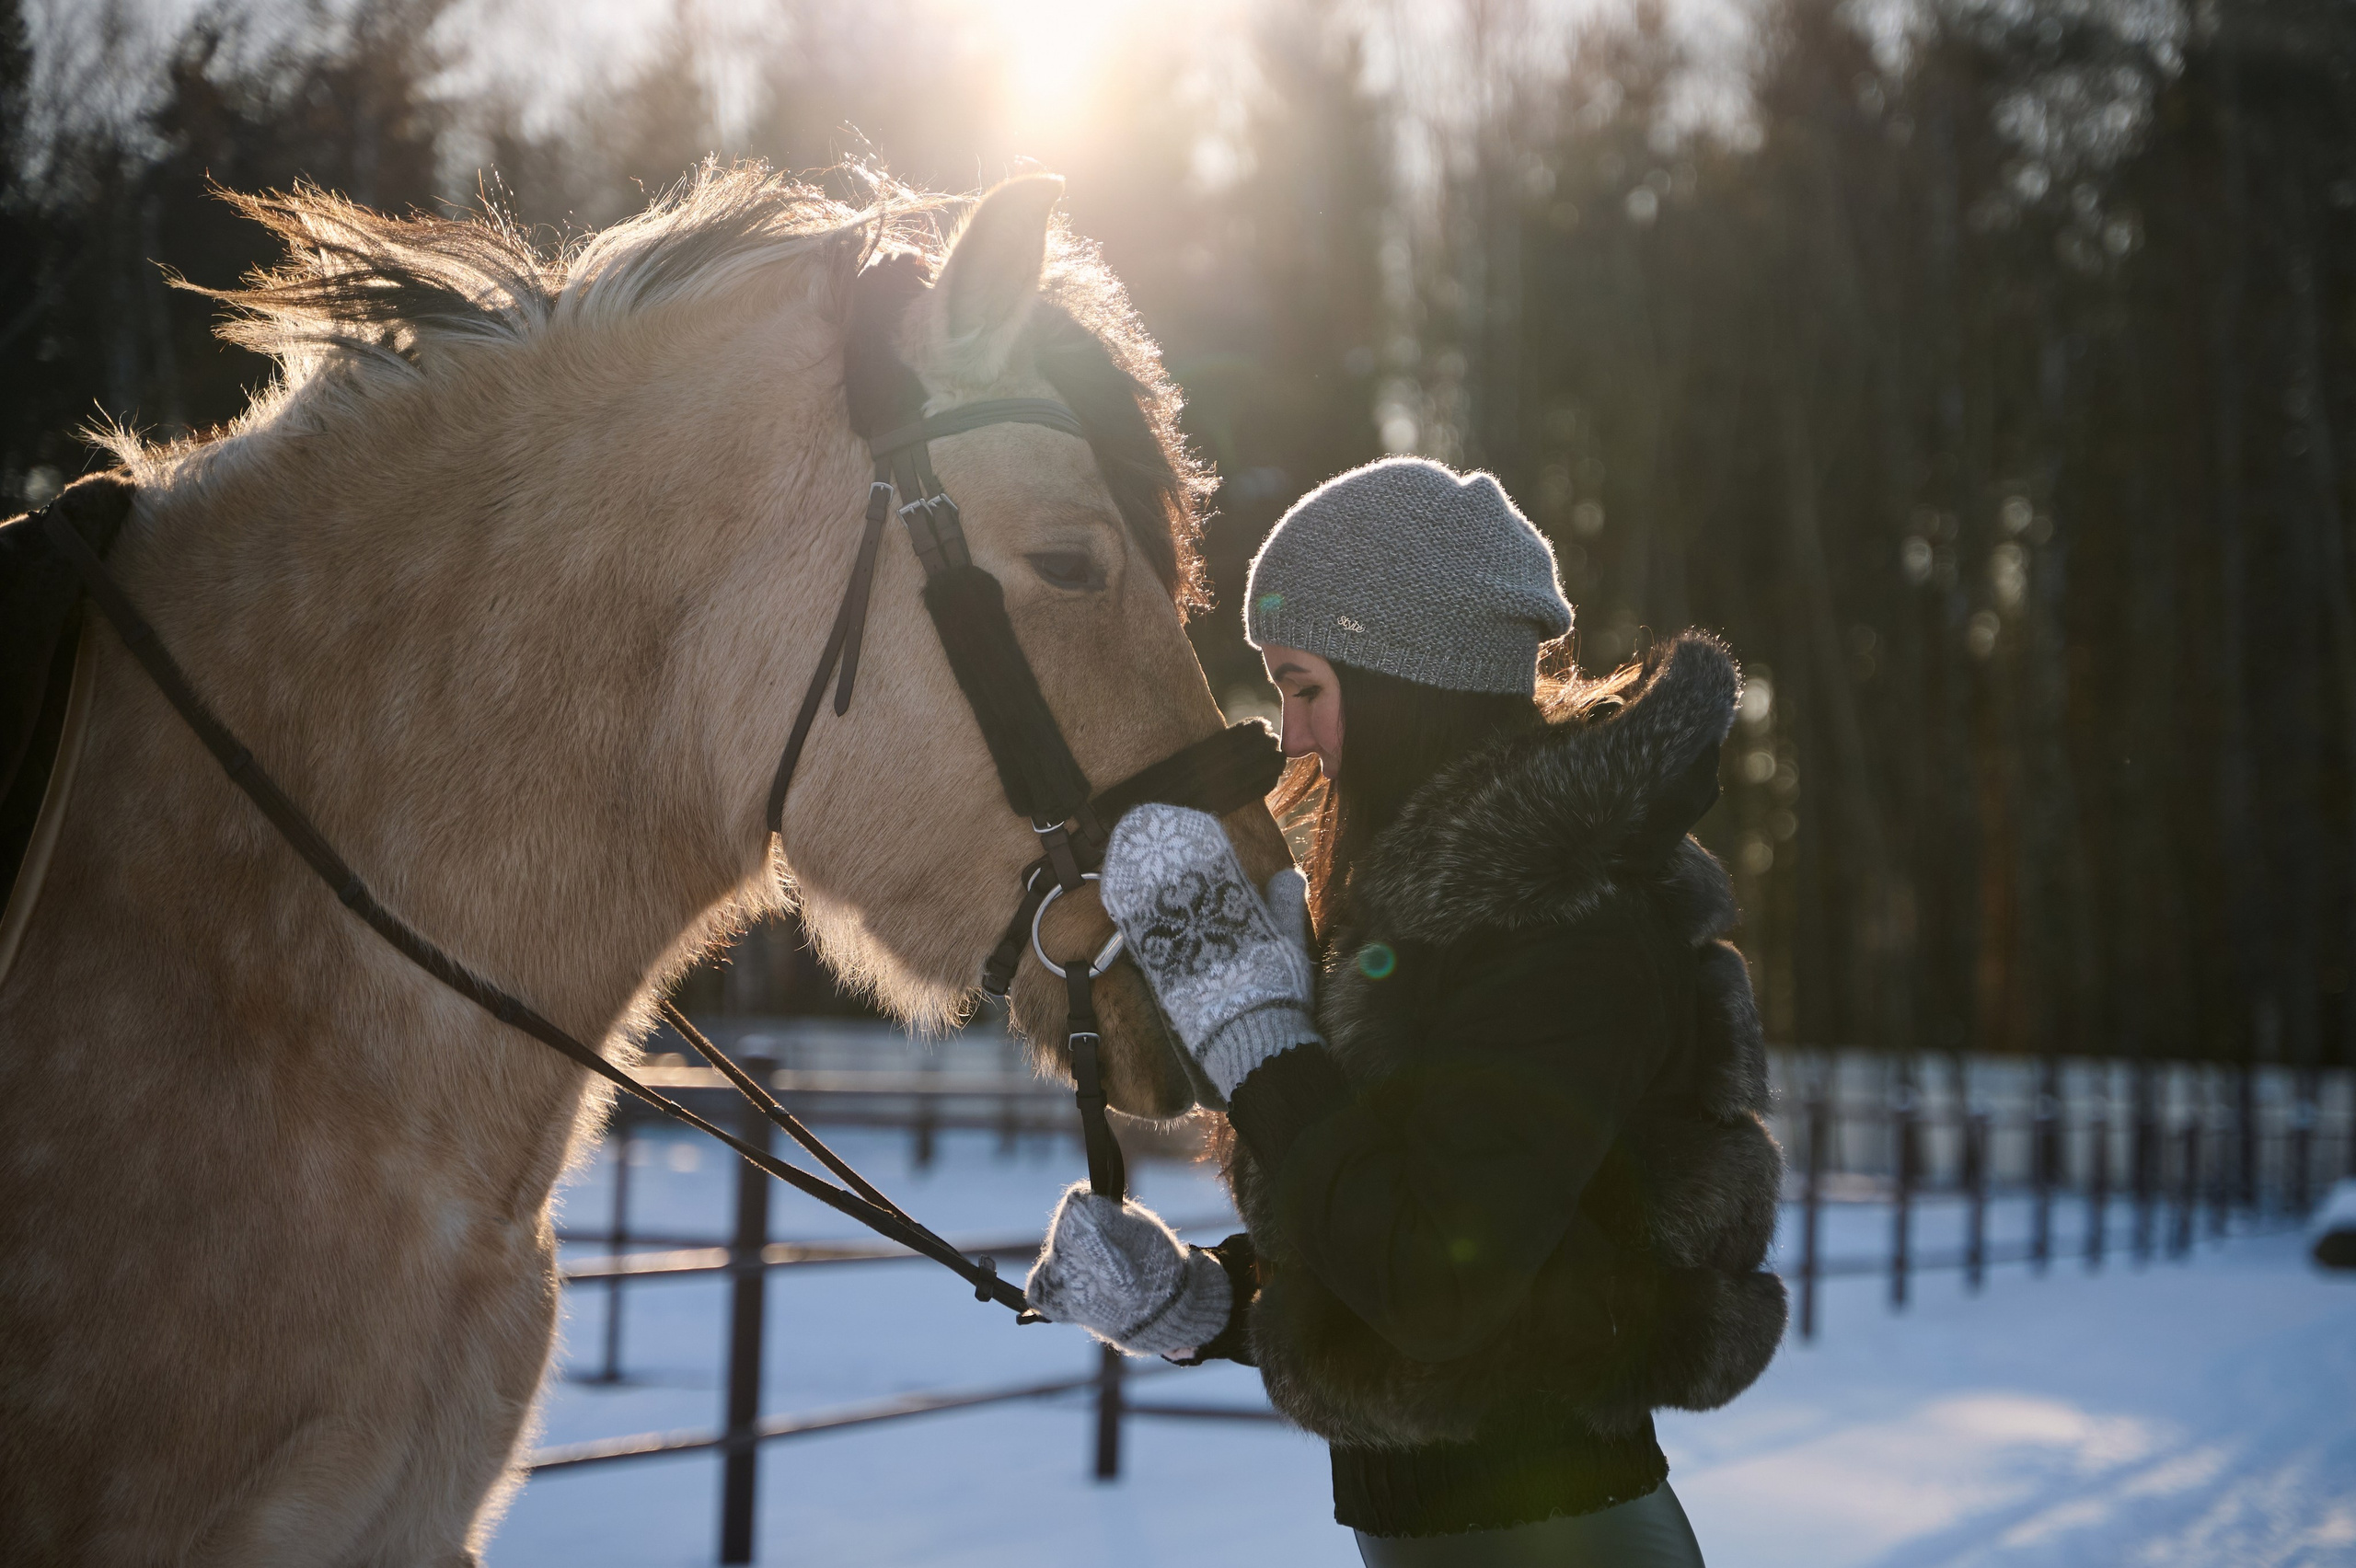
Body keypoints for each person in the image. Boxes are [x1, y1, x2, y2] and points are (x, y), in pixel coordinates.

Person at [1025, 457, 1785, 1566]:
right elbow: (1415, 1241)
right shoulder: (1440, 930)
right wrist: (1198, 1302)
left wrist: (1262, 1043)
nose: (1289, 740)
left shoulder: (1570, 934)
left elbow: (1439, 1287)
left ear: (1403, 685)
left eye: (1304, 686)